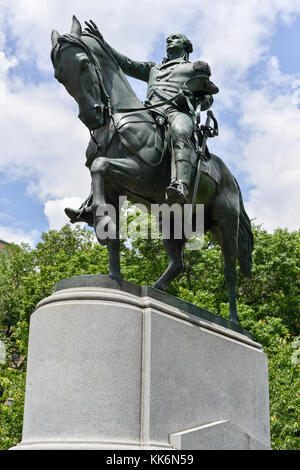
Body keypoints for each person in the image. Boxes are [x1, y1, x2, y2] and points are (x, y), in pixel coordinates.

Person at [65, 24, 218, 223]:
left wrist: (193, 100)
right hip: (151, 112)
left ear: (186, 46)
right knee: (109, 136)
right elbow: (124, 63)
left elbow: (208, 98)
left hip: (176, 112)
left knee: (180, 132)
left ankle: (180, 185)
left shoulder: (193, 68)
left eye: (175, 38)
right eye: (168, 39)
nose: (169, 40)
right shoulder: (153, 68)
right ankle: (92, 201)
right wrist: (102, 43)